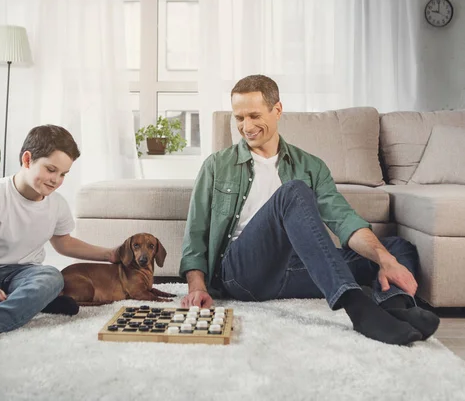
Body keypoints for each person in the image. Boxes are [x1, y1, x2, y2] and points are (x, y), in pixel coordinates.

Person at [179, 75, 440, 345]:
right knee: (292, 192)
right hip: (243, 272)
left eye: (254, 115)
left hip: (297, 268)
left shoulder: (310, 166)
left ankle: (394, 307)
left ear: (277, 110)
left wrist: (384, 260)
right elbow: (196, 233)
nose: (246, 127)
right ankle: (357, 306)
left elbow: (343, 220)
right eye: (239, 118)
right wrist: (197, 286)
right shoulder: (216, 166)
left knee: (396, 249)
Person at [0, 125, 116, 348]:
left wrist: (110, 254)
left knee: (51, 277)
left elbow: (64, 243)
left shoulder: (57, 204)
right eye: (50, 169)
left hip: (27, 274)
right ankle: (34, 303)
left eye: (63, 174)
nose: (56, 180)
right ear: (27, 160)